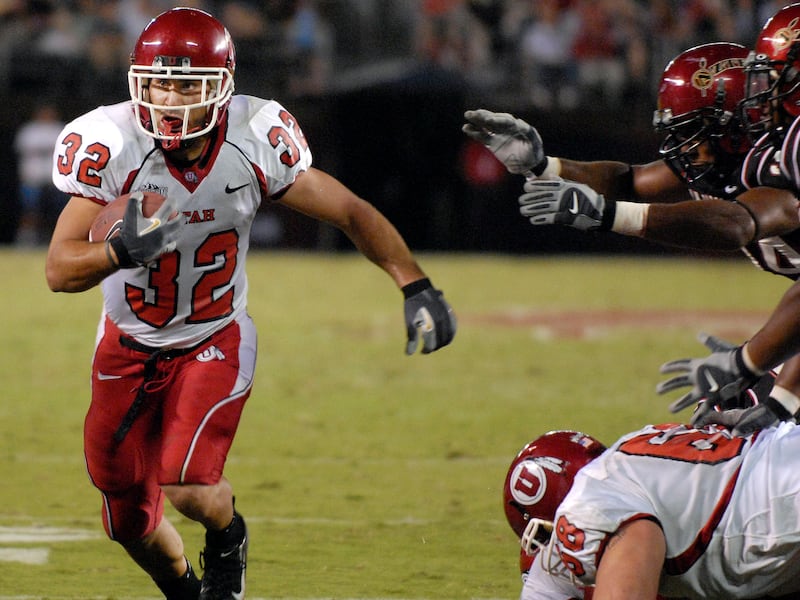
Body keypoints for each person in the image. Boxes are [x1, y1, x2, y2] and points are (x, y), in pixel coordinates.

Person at [45, 7, 456, 600]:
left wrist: (413, 282)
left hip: (214, 337)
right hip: (127, 342)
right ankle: (186, 591)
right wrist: (118, 252)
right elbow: (59, 269)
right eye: (159, 82)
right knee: (127, 519)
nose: (170, 99)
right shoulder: (112, 143)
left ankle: (229, 537)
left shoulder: (256, 135)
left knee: (185, 484)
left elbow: (349, 211)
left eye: (188, 85)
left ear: (222, 87)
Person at [462, 29, 800, 433]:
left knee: (762, 432)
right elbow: (630, 181)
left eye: (691, 130)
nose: (681, 146)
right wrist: (544, 166)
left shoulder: (780, 164)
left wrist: (768, 385)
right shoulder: (728, 158)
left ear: (730, 125)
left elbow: (736, 224)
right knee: (726, 417)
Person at [503, 418, 800, 599]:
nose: (550, 552)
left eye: (548, 537)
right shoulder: (631, 455)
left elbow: (637, 544)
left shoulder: (591, 504)